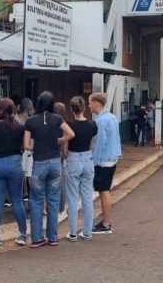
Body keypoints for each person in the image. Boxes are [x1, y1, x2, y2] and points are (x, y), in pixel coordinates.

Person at [23, 91, 74, 247]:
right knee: (53, 200)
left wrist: (35, 146)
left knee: (37, 201)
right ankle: (53, 237)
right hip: (55, 163)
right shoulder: (57, 118)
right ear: (52, 103)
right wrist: (58, 140)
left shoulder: (30, 121)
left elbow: (26, 145)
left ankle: (37, 239)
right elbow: (71, 133)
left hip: (39, 163)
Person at [0, 98, 28, 247]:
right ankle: (22, 234)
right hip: (15, 163)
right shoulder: (20, 127)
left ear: (2, 111)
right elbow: (23, 146)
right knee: (17, 200)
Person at [64, 96, 97, 241]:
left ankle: (72, 233)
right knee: (87, 198)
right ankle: (87, 231)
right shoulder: (92, 125)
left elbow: (65, 147)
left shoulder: (69, 124)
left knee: (72, 198)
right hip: (88, 158)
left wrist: (66, 156)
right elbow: (92, 143)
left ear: (72, 109)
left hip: (73, 158)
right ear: (84, 108)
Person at [89, 92, 122, 234]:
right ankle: (105, 222)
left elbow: (99, 144)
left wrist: (92, 161)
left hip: (103, 160)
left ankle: (106, 223)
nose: (89, 105)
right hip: (113, 158)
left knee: (104, 191)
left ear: (96, 103)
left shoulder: (100, 121)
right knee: (105, 190)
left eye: (90, 102)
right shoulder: (112, 117)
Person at [16, 98, 35, 202]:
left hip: (18, 149)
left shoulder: (16, 118)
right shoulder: (34, 119)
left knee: (20, 174)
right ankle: (32, 196)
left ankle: (22, 195)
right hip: (31, 148)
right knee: (30, 175)